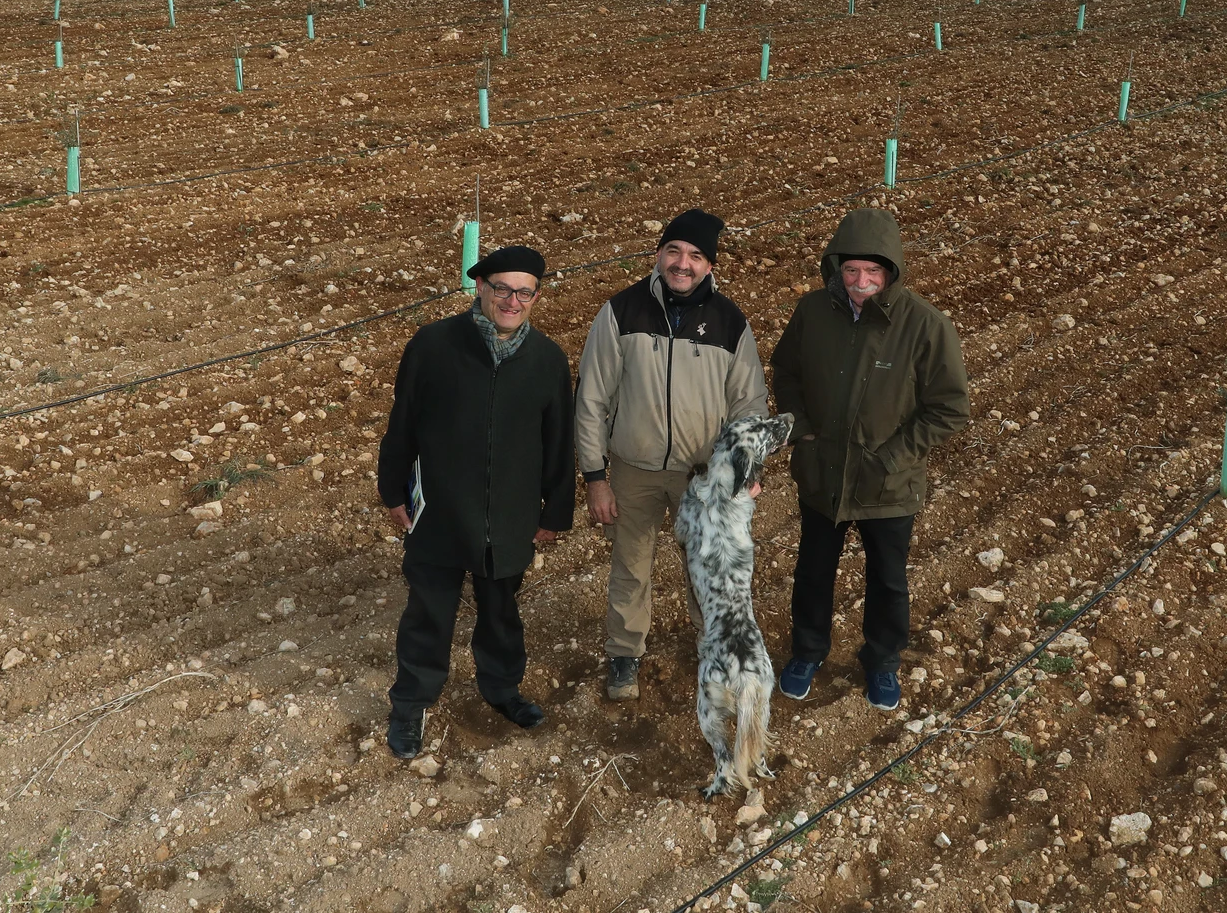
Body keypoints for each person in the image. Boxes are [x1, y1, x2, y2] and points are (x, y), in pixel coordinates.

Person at [377, 245, 575, 758]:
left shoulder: (548, 359)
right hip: (440, 512)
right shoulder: (434, 345)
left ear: (536, 296)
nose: (513, 300)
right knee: (429, 613)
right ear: (480, 288)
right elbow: (403, 423)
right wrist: (392, 489)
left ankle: (502, 690)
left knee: (501, 612)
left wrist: (555, 509)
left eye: (524, 291)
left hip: (508, 515)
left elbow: (558, 442)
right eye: (502, 288)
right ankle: (410, 706)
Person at [770, 208, 970, 711]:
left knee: (888, 577)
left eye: (873, 272)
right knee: (814, 570)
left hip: (888, 483)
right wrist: (803, 431)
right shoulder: (813, 312)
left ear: (892, 273)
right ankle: (807, 652)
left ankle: (882, 661)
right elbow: (785, 372)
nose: (861, 282)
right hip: (823, 473)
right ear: (836, 267)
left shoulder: (925, 325)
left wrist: (893, 457)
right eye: (852, 270)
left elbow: (949, 408)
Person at [575, 208, 769, 701]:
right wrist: (595, 477)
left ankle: (714, 650)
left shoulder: (729, 321)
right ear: (658, 254)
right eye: (674, 251)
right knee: (631, 564)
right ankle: (624, 656)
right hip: (632, 470)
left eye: (696, 255)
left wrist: (747, 469)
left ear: (709, 265)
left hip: (701, 476)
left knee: (708, 565)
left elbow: (749, 403)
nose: (682, 262)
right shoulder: (621, 311)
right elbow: (592, 398)